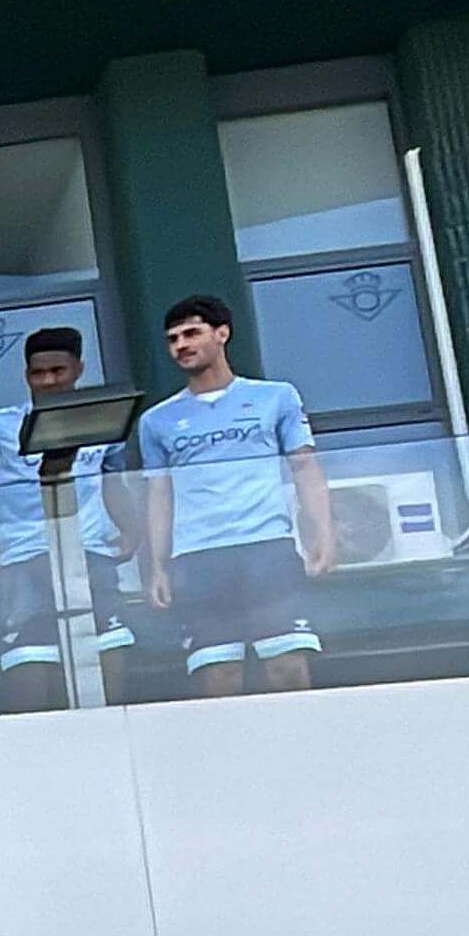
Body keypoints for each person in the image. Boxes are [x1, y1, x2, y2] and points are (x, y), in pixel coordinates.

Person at [136, 294, 338, 696]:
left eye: (192, 333)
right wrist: (157, 565)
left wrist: (324, 534)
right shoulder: (156, 420)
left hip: (267, 548)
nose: (182, 345)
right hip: (196, 560)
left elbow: (304, 467)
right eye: (173, 339)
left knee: (288, 667)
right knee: (219, 676)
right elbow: (159, 495)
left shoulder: (276, 396)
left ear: (222, 333)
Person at [0, 328, 140, 708]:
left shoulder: (101, 421)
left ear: (78, 369)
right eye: (39, 373)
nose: (49, 381)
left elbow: (111, 478)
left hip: (91, 556)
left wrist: (130, 529)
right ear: (26, 375)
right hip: (22, 562)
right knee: (29, 675)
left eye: (58, 370)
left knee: (108, 660)